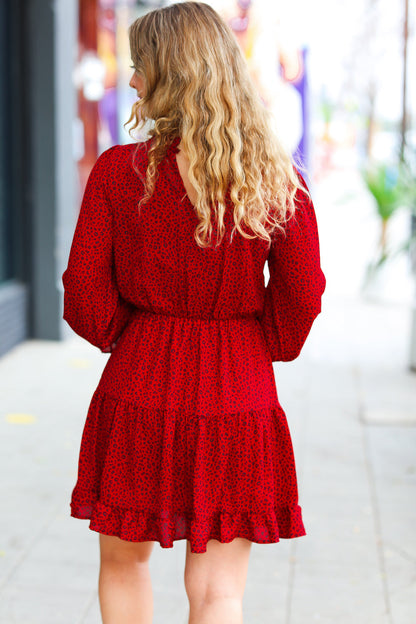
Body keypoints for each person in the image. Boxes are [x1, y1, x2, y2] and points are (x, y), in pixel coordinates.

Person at [62, 2, 326, 623]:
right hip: (239, 393)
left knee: (123, 565)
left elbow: (84, 295)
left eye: (140, 68)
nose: (131, 81)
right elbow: (302, 292)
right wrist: (263, 346)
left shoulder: (115, 175)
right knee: (219, 594)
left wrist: (134, 337)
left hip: (140, 387)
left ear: (170, 74)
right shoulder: (275, 179)